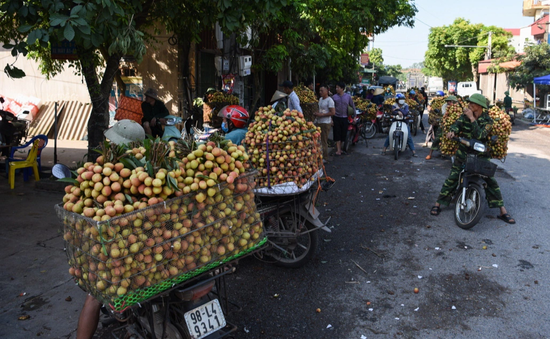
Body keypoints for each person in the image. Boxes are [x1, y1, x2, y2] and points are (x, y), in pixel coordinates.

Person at [77, 121, 147, 339]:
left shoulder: (113, 169)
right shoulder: (148, 167)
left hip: (119, 241)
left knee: (94, 296)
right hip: (146, 239)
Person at [430, 93, 515, 224]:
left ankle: (503, 211)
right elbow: (457, 125)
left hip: (480, 155)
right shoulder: (463, 117)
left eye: (472, 103)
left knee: (491, 181)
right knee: (452, 178)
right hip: (463, 153)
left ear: (479, 106)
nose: (469, 105)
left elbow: (480, 135)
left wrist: (471, 118)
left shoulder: (487, 121)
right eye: (469, 103)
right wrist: (452, 131)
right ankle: (438, 204)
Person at [425, 95, 458, 160]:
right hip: (443, 125)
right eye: (448, 101)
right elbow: (444, 115)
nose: (449, 103)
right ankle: (430, 154)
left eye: (450, 102)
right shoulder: (444, 106)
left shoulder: (457, 108)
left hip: (453, 125)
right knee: (437, 139)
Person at [332, 81, 355, 156]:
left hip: (345, 118)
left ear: (342, 88)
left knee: (343, 134)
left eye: (338, 87)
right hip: (336, 117)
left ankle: (340, 148)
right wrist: (331, 119)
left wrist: (354, 116)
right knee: (337, 134)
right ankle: (338, 150)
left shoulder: (348, 97)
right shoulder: (334, 97)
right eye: (336, 87)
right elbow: (331, 108)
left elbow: (352, 106)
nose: (336, 89)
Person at [313, 84, 335, 162]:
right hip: (319, 122)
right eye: (319, 90)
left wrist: (322, 115)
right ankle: (320, 155)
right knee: (319, 140)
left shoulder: (330, 100)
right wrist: (317, 114)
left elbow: (332, 112)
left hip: (325, 123)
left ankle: (325, 157)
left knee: (324, 140)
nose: (320, 92)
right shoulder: (320, 99)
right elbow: (320, 109)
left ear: (327, 91)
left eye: (322, 90)